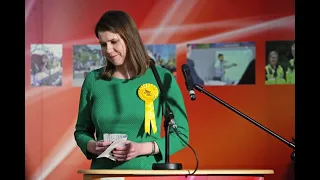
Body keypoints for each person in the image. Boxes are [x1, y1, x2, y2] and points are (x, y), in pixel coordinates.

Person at [74, 10, 190, 170]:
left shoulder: (162, 78)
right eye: (103, 44)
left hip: (146, 174)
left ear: (129, 39)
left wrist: (141, 148)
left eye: (114, 41)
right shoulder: (93, 80)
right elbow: (81, 131)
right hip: (102, 175)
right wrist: (92, 146)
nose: (108, 49)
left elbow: (181, 135)